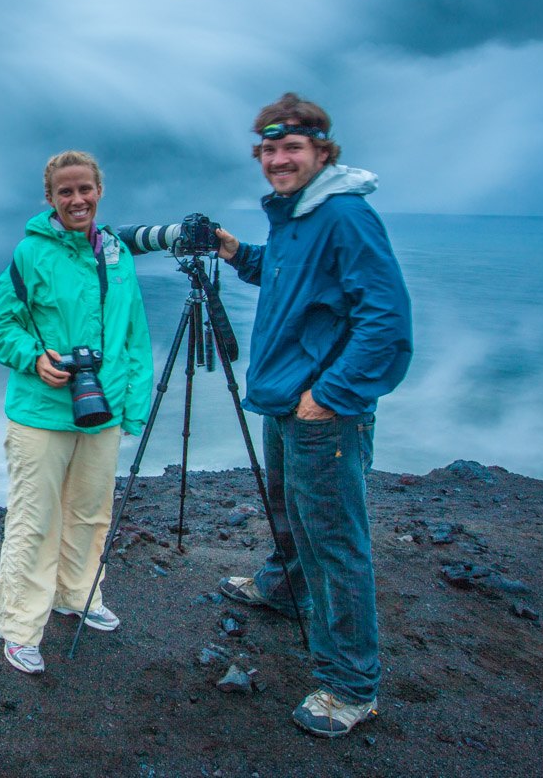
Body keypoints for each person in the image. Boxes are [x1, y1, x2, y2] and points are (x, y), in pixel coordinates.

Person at [214, 94, 413, 737]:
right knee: (288, 509)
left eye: (291, 148)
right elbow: (288, 277)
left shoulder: (346, 215)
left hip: (320, 409)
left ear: (322, 152)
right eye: (269, 149)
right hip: (285, 395)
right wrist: (233, 250)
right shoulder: (297, 217)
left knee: (333, 540)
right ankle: (281, 588)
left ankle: (351, 686)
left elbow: (386, 315)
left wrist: (330, 395)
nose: (277, 158)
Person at [0, 151, 153, 674]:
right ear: (50, 199)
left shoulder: (118, 255)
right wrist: (34, 358)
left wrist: (133, 410)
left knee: (91, 512)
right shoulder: (30, 254)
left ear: (100, 190)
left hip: (104, 409)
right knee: (34, 520)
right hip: (41, 412)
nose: (77, 199)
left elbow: (136, 337)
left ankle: (78, 596)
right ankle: (20, 627)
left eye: (85, 189)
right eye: (65, 192)